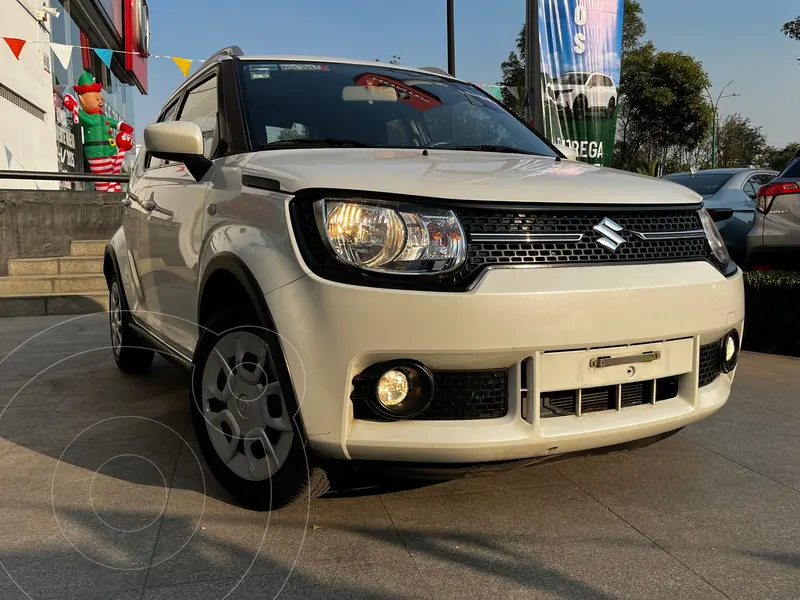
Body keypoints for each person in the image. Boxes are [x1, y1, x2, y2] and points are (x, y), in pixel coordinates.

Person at [62, 71, 134, 192]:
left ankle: (113, 188)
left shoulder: (102, 117)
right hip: (97, 152)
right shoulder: (90, 119)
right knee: (103, 179)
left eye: (100, 98)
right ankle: (107, 192)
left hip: (110, 150)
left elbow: (113, 122)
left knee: (113, 174)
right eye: (96, 99)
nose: (101, 102)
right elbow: (81, 116)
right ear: (82, 100)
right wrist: (74, 108)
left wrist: (123, 126)